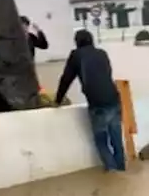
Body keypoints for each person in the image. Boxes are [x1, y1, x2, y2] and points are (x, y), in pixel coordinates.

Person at [54, 30, 126, 172]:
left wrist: (57, 100)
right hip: (114, 99)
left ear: (77, 42)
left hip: (97, 103)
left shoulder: (76, 55)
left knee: (101, 140)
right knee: (116, 138)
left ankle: (112, 171)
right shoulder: (102, 53)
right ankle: (121, 169)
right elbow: (107, 74)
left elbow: (66, 79)